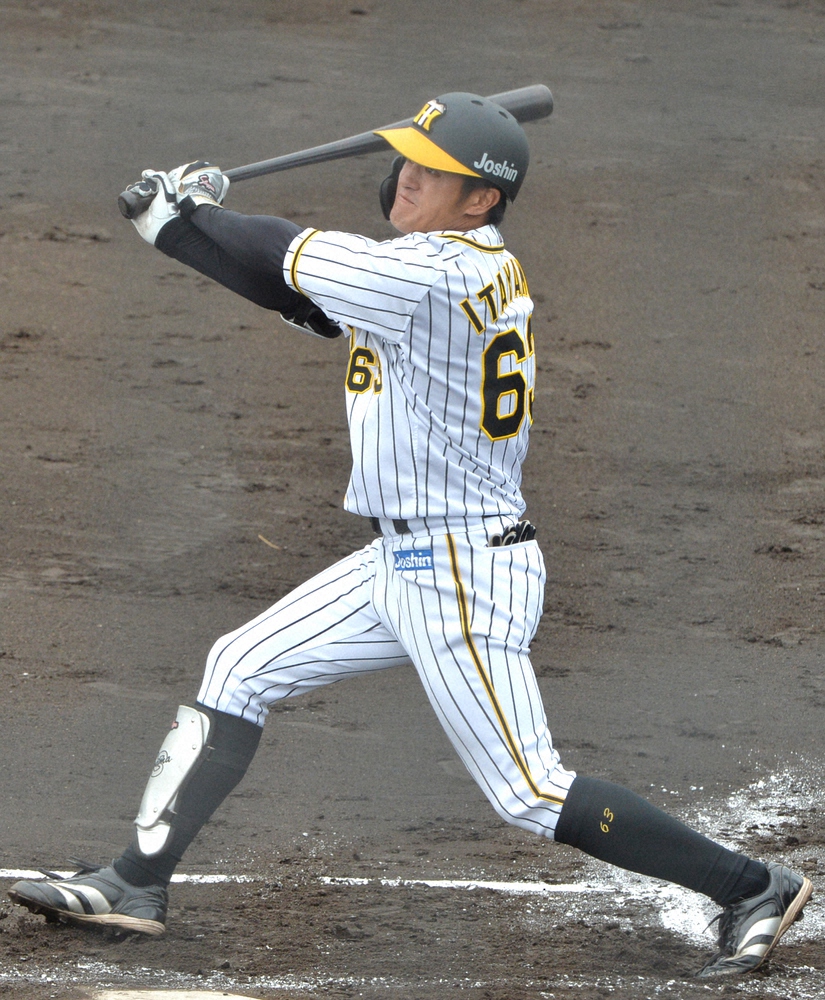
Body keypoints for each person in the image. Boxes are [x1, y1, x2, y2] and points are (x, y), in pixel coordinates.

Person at [9, 92, 811, 978]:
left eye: (435, 172)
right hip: (402, 556)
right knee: (239, 665)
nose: (407, 179)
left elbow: (280, 249)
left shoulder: (430, 274)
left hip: (461, 572)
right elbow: (297, 295)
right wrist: (178, 230)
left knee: (527, 791)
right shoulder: (429, 272)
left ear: (481, 200)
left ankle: (750, 886)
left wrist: (197, 207)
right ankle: (135, 883)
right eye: (407, 162)